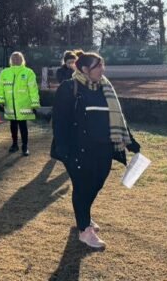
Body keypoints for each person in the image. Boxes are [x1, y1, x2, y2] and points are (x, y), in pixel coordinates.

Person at [51, 51, 140, 249]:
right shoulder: (69, 87)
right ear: (84, 69)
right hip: (77, 149)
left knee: (96, 184)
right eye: (98, 66)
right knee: (83, 187)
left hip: (104, 147)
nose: (103, 70)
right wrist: (63, 148)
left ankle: (85, 216)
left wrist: (130, 141)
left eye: (102, 65)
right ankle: (84, 230)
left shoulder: (105, 87)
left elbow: (117, 116)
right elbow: (59, 120)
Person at [0, 51, 40, 156]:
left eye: (18, 58)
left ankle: (25, 146)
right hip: (10, 105)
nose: (16, 60)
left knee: (23, 125)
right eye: (14, 58)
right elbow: (0, 87)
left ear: (22, 60)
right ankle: (14, 144)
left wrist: (34, 103)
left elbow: (33, 89)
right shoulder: (4, 73)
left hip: (23, 105)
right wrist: (0, 100)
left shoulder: (28, 72)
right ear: (11, 60)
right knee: (13, 125)